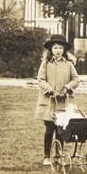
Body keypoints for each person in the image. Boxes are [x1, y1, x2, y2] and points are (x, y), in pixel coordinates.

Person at [34, 34, 80, 166]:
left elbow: (76, 79)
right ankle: (46, 156)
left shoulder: (69, 64)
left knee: (61, 130)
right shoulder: (46, 64)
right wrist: (50, 89)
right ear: (51, 49)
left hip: (63, 102)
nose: (58, 50)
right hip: (49, 102)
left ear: (64, 50)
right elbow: (41, 80)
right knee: (49, 130)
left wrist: (67, 88)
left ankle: (58, 155)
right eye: (55, 48)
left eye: (60, 48)